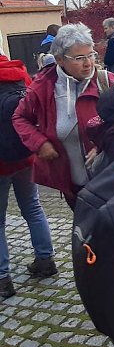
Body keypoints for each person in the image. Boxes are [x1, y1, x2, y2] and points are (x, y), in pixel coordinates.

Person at [13, 23, 114, 208]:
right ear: (60, 59)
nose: (88, 63)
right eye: (79, 58)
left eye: (91, 54)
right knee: (84, 232)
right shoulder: (42, 87)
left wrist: (105, 142)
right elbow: (19, 118)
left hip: (111, 180)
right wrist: (40, 143)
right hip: (72, 185)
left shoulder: (106, 82)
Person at [0, 47, 56, 298]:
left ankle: (2, 279)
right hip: (25, 155)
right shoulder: (20, 74)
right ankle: (45, 261)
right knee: (33, 208)